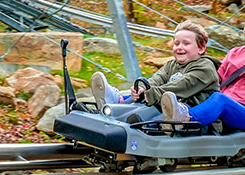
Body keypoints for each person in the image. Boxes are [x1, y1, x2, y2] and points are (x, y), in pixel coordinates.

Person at [161, 1, 245, 132]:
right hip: (220, 106)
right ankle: (154, 125)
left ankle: (184, 120)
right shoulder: (236, 52)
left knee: (220, 99)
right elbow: (214, 80)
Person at [90, 20, 220, 111]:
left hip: (192, 116)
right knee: (144, 102)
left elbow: (182, 86)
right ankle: (116, 102)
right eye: (176, 43)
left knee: (143, 111)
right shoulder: (172, 64)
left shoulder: (205, 68)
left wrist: (152, 93)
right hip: (166, 106)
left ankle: (117, 105)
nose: (179, 48)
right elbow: (157, 78)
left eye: (186, 44)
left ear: (201, 48)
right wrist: (141, 88)